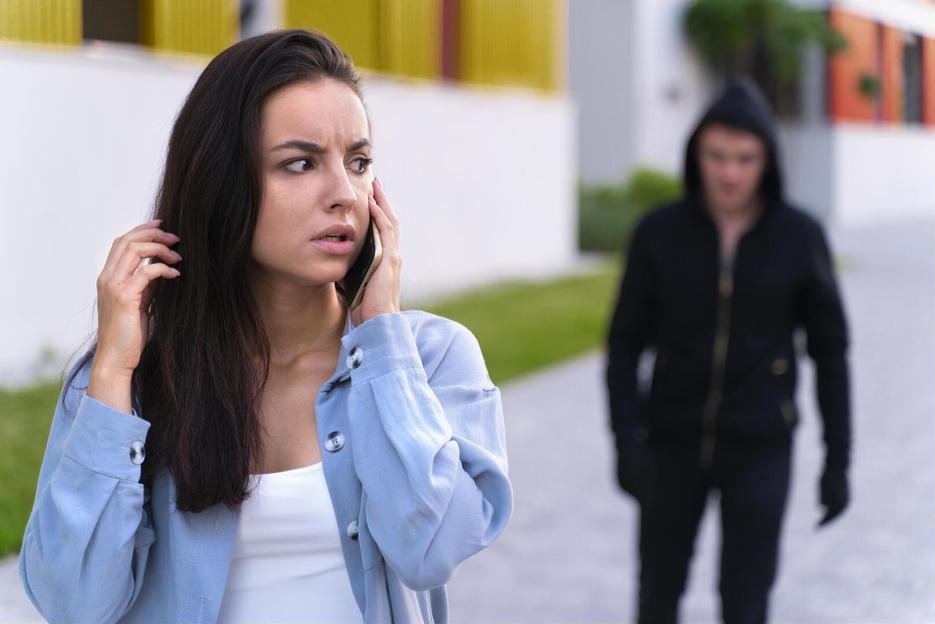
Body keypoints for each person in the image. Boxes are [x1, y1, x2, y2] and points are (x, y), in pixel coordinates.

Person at [19, 29, 512, 624]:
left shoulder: (431, 358)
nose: (344, 195)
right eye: (300, 163)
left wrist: (382, 336)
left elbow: (430, 551)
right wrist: (114, 372)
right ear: (221, 183)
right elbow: (73, 603)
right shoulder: (130, 380)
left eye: (358, 163)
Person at [606, 79, 851, 624]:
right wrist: (625, 440)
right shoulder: (658, 234)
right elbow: (623, 343)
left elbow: (831, 353)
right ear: (696, 154)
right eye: (717, 156)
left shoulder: (800, 237)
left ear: (768, 160)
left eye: (746, 159)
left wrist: (838, 461)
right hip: (670, 444)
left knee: (746, 605)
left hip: (761, 448)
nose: (730, 173)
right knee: (656, 599)